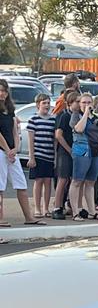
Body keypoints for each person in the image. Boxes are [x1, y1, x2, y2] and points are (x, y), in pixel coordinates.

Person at [0, 79, 44, 226]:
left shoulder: (10, 109)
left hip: (12, 152)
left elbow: (14, 130)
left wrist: (16, 148)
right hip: (1, 152)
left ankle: (29, 217)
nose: (2, 94)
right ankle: (0, 219)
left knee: (21, 184)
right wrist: (7, 150)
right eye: (0, 90)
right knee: (0, 187)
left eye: (4, 91)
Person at [70, 92, 98, 219]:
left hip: (95, 150)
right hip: (82, 150)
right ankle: (75, 212)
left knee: (90, 182)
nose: (86, 105)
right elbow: (79, 129)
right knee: (77, 180)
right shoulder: (75, 116)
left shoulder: (95, 117)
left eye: (89, 102)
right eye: (84, 102)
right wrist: (85, 114)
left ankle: (92, 211)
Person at [27, 93, 57, 217]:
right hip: (38, 154)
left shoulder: (53, 120)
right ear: (38, 105)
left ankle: (46, 208)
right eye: (44, 103)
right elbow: (30, 139)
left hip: (49, 154)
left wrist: (55, 156)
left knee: (48, 181)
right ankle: (37, 208)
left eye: (48, 102)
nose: (47, 105)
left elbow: (54, 140)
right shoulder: (33, 119)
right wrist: (31, 157)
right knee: (38, 181)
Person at [51, 90, 79, 220]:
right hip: (64, 151)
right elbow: (59, 135)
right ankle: (57, 206)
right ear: (69, 103)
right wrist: (69, 149)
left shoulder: (79, 116)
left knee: (72, 180)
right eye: (77, 102)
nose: (79, 105)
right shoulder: (64, 116)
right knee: (62, 179)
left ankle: (70, 205)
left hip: (76, 151)